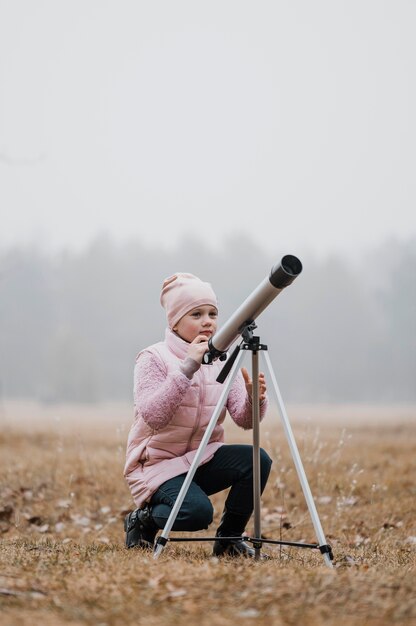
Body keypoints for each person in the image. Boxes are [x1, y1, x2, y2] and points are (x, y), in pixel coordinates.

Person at [124, 272, 272, 557]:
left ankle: (229, 541)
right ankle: (141, 520)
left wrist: (256, 398)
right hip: (157, 465)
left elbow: (244, 420)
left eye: (213, 313)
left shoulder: (222, 358)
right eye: (197, 314)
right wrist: (187, 368)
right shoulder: (153, 358)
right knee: (197, 514)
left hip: (203, 457)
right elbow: (153, 416)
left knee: (257, 459)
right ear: (175, 321)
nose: (208, 321)